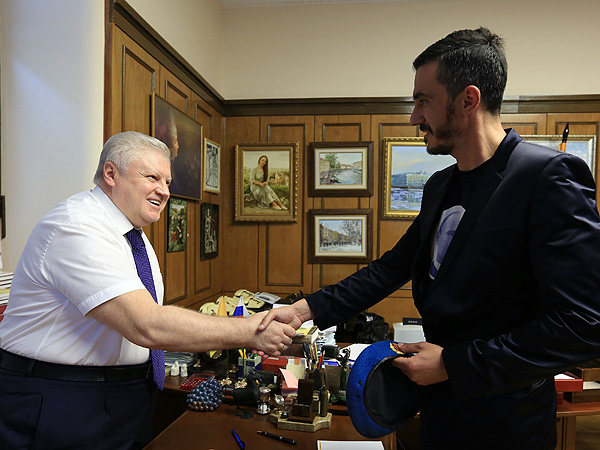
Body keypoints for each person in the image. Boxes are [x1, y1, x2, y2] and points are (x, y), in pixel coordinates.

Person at [258, 27, 600, 449]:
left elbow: (583, 323)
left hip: (508, 423)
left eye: (423, 101)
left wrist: (454, 364)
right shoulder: (440, 185)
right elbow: (391, 267)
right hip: (438, 412)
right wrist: (304, 310)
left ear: (468, 100)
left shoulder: (547, 176)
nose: (414, 117)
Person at [0, 131, 295, 450]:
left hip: (123, 396)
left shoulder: (130, 232)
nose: (164, 191)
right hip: (63, 399)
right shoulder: (77, 226)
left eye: (167, 181)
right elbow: (146, 324)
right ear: (111, 173)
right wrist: (250, 330)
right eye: (152, 177)